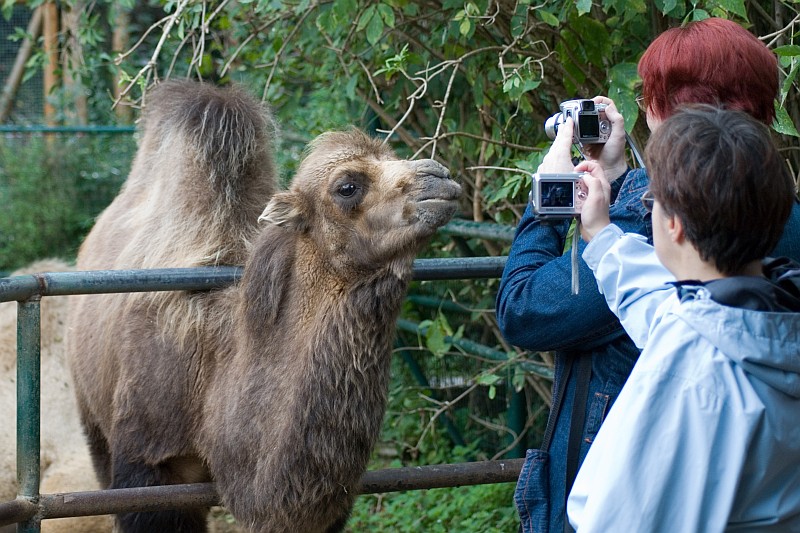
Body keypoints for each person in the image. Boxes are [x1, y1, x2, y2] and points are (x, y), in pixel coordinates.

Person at [496, 17, 800, 533]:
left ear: (675, 226)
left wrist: (546, 206)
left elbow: (523, 309)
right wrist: (611, 205)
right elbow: (657, 299)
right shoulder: (778, 223)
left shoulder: (687, 370)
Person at [568, 105, 800, 531]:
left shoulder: (689, 373)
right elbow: (665, 306)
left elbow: (620, 521)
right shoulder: (770, 312)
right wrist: (602, 236)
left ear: (673, 223)